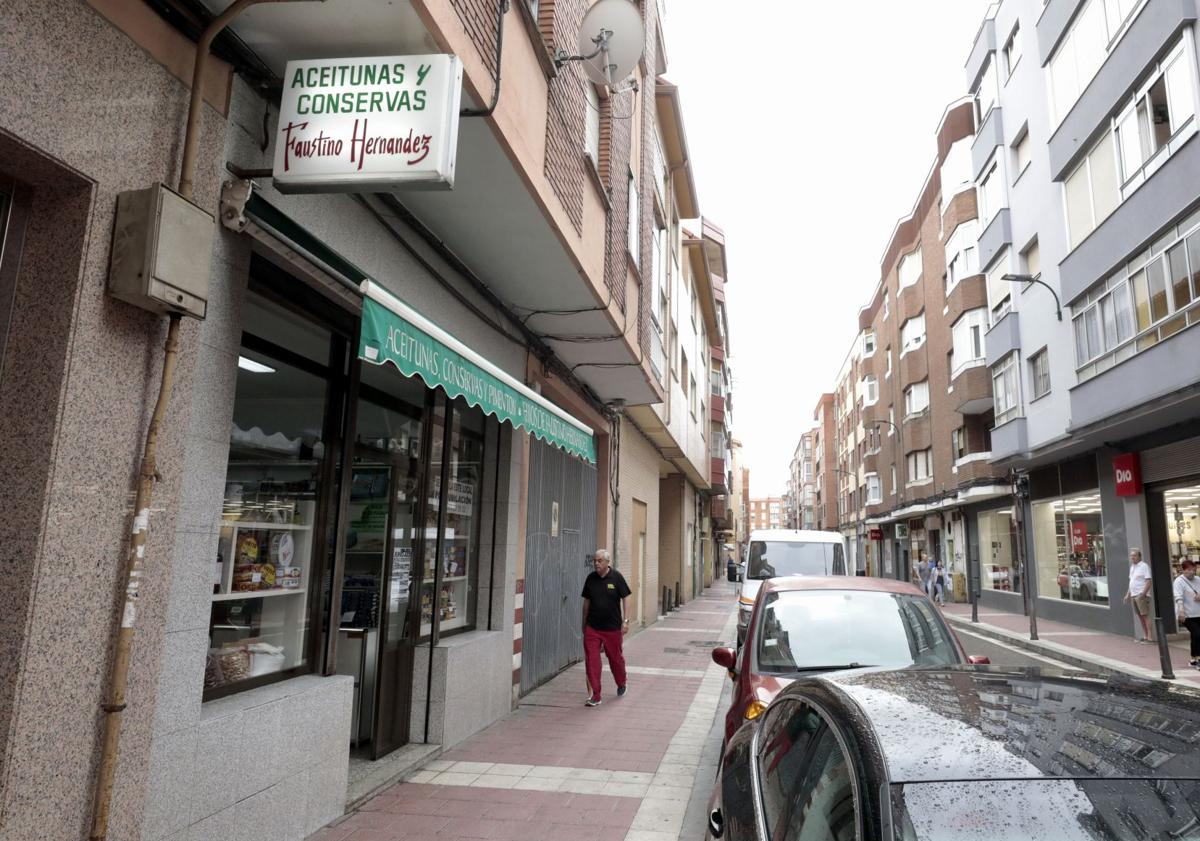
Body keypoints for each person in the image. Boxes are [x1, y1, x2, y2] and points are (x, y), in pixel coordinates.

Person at [581, 549, 631, 707]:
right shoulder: (590, 579)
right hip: (593, 627)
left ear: (607, 562)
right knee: (592, 660)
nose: (596, 563)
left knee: (615, 659)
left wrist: (626, 621)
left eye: (599, 561)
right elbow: (586, 603)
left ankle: (621, 682)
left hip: (612, 629)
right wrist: (584, 623)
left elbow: (626, 598)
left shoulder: (616, 577)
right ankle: (596, 695)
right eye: (595, 560)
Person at [1173, 559, 1200, 669]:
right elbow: (1178, 597)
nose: (1192, 572)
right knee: (1198, 634)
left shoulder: (1198, 579)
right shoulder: (1179, 581)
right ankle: (1198, 659)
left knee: (1195, 636)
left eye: (1194, 570)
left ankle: (1193, 659)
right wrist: (1181, 611)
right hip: (1186, 614)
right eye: (1189, 570)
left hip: (1198, 612)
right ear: (1183, 570)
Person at [1123, 548, 1153, 643]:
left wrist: (1143, 594)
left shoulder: (1144, 566)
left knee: (1145, 615)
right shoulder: (1132, 567)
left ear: (1139, 556)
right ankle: (1145, 635)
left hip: (1141, 595)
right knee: (1140, 616)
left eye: (1134, 555)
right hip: (1134, 595)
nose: (1132, 557)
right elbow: (1131, 582)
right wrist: (1127, 595)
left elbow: (1148, 581)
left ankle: (1150, 637)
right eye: (1131, 556)